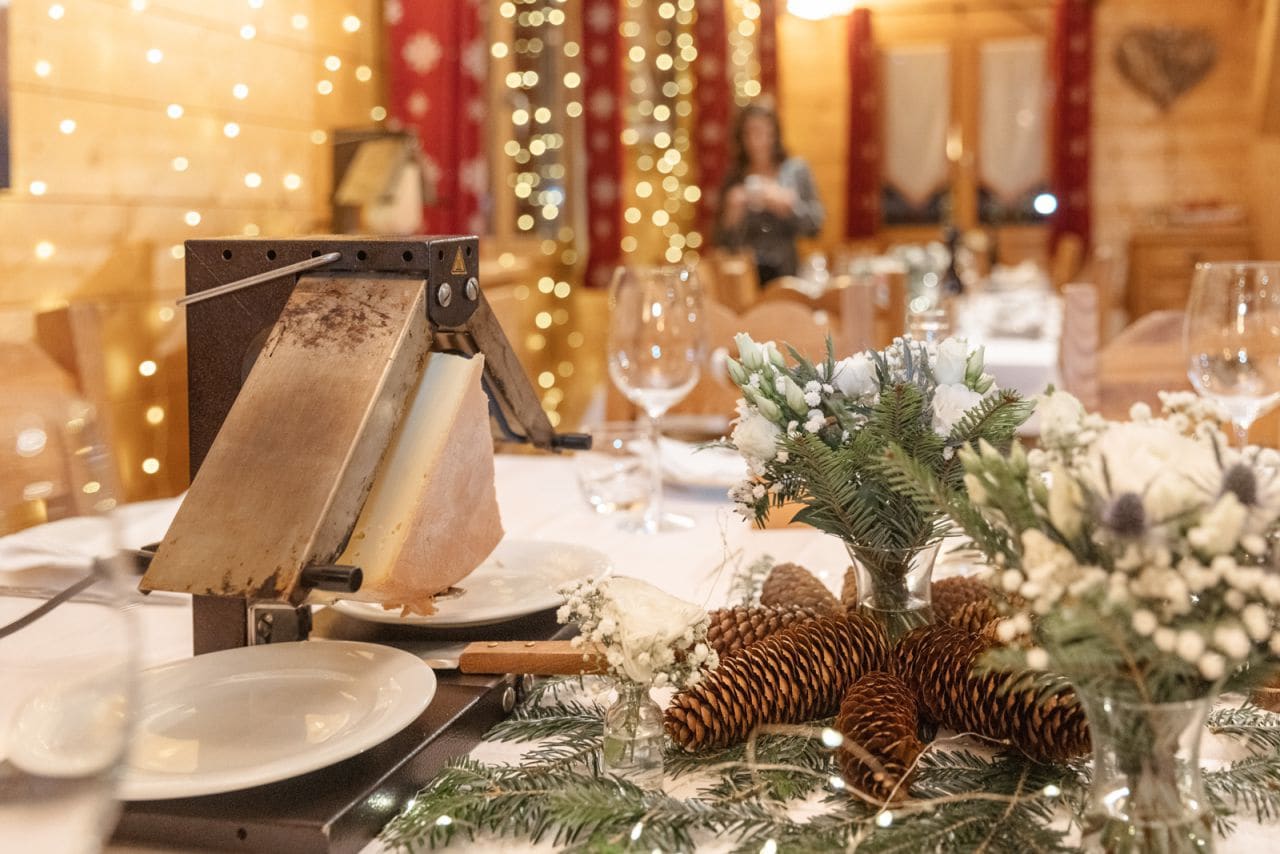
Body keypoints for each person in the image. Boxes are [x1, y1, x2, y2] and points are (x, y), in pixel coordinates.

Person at [714, 102, 825, 286]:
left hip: (787, 272)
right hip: (745, 274)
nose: (756, 140)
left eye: (762, 131)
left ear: (774, 133)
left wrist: (790, 207)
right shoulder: (735, 176)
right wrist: (731, 216)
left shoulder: (794, 171)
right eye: (749, 132)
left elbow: (815, 225)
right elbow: (720, 242)